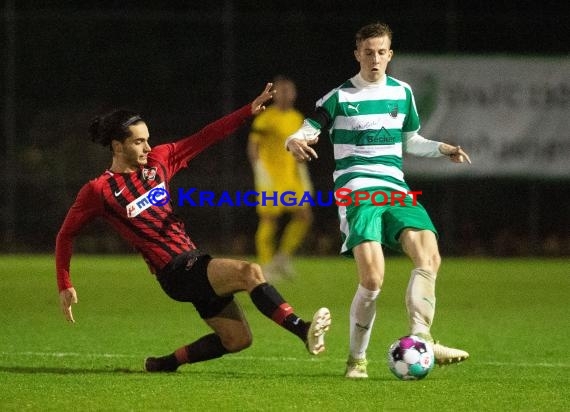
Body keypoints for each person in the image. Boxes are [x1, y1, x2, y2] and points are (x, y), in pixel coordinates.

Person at [55, 83, 331, 373]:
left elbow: (205, 136)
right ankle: (303, 329)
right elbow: (65, 235)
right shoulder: (99, 190)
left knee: (238, 339)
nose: (148, 147)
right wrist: (65, 284)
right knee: (249, 272)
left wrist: (245, 112)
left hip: (193, 261)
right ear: (117, 146)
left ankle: (163, 364)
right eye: (139, 142)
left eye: (148, 140)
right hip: (174, 272)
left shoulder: (158, 162)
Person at [285, 22, 470, 378]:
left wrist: (441, 149)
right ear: (357, 54)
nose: (374, 58)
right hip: (356, 191)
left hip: (396, 189)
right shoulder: (339, 96)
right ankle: (356, 360)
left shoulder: (403, 93)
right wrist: (293, 141)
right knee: (372, 280)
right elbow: (307, 130)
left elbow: (410, 140)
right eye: (367, 52)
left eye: (381, 52)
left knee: (429, 255)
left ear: (390, 55)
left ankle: (421, 337)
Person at [247, 76, 313, 278]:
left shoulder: (297, 118)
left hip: (291, 178)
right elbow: (253, 147)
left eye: (289, 90)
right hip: (270, 179)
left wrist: (303, 173)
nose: (286, 94)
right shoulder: (265, 118)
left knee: (304, 216)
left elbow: (302, 147)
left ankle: (282, 258)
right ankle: (266, 266)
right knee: (270, 220)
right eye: (282, 91)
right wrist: (260, 173)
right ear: (275, 95)